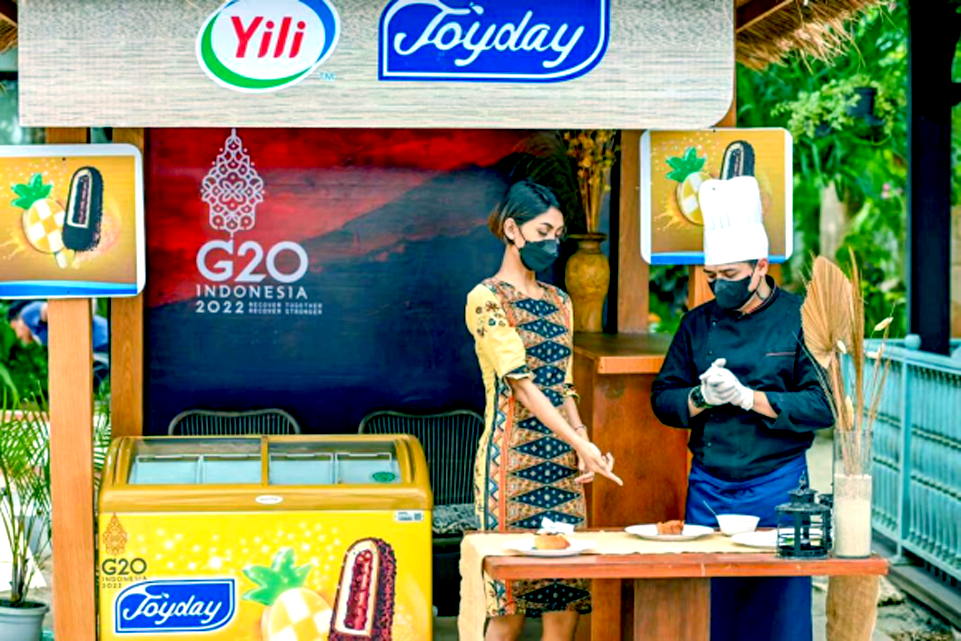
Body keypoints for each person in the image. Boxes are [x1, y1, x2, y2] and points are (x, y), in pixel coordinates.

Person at [650, 175, 834, 641]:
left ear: (761, 267)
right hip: (709, 489)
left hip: (780, 488)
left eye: (731, 276)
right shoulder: (696, 325)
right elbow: (663, 398)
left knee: (781, 616)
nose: (720, 286)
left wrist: (749, 398)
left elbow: (823, 405)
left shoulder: (801, 318)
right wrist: (701, 398)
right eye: (712, 277)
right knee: (714, 614)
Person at [466, 180, 621, 641]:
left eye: (557, 233)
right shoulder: (486, 299)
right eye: (543, 232)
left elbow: (562, 385)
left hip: (563, 469)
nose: (552, 242)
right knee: (509, 607)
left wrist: (582, 441)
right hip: (509, 465)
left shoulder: (560, 302)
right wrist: (580, 444)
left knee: (564, 600)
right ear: (512, 230)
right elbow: (524, 387)